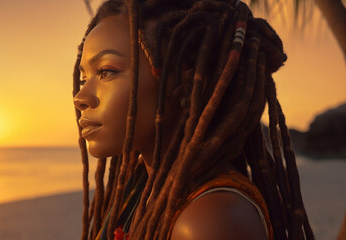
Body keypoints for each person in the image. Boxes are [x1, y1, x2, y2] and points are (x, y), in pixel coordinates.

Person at [72, 0, 314, 239]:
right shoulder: (143, 187)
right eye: (84, 78)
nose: (80, 97)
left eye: (105, 71)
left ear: (184, 81)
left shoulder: (211, 222)